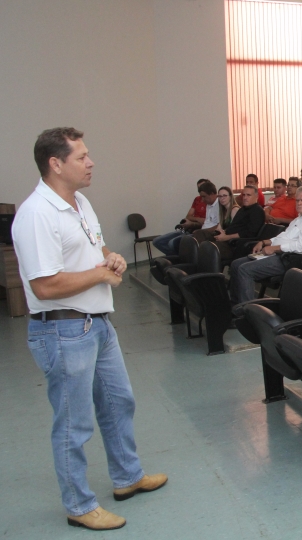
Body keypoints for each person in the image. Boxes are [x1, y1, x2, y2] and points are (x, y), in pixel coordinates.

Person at [13, 127, 166, 530]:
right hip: (62, 331)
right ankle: (79, 505)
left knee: (118, 402)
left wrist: (111, 258)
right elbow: (45, 286)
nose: (91, 162)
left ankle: (127, 476)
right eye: (81, 157)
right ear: (55, 163)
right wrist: (100, 274)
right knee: (73, 423)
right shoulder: (37, 214)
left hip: (96, 324)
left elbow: (95, 248)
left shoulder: (79, 202)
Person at [228, 187, 302, 304]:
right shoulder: (299, 219)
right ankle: (236, 304)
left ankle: (246, 309)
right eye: (297, 200)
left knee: (245, 270)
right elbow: (283, 236)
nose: (299, 203)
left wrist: (275, 248)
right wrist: (265, 242)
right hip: (279, 254)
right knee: (236, 264)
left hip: (290, 260)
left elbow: (301, 247)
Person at [152, 179, 211, 256]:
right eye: (198, 188)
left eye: (202, 187)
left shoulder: (211, 201)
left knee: (172, 243)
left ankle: (180, 259)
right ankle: (178, 258)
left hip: (199, 231)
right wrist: (196, 220)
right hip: (188, 229)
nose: (200, 190)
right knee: (157, 241)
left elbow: (206, 222)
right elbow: (188, 216)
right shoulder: (197, 199)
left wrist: (192, 222)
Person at [212, 185, 266, 260]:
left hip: (237, 244)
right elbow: (234, 226)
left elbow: (250, 233)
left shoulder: (257, 211)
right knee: (205, 242)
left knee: (210, 249)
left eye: (248, 195)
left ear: (256, 196)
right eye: (244, 195)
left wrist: (227, 237)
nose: (245, 197)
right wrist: (224, 232)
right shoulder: (243, 209)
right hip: (229, 240)